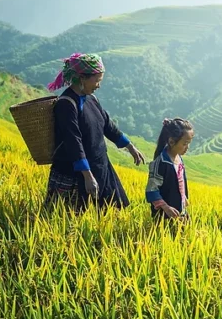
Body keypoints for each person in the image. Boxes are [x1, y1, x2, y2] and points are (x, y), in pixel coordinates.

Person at [44, 52, 144, 211]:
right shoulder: (66, 104)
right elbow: (73, 141)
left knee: (111, 213)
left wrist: (130, 147)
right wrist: (87, 175)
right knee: (69, 218)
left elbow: (107, 125)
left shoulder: (92, 99)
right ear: (82, 78)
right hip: (75, 172)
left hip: (100, 165)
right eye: (97, 80)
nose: (99, 85)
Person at [146, 118, 194, 219]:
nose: (187, 147)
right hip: (164, 217)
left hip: (180, 213)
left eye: (189, 143)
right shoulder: (160, 163)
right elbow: (152, 191)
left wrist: (183, 197)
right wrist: (166, 208)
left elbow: (179, 182)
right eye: (185, 144)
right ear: (171, 141)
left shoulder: (179, 159)